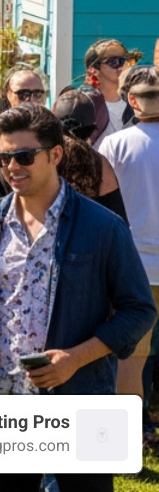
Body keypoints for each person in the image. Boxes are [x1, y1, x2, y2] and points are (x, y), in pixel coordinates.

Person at [0, 106, 155, 492]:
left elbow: (139, 310)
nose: (12, 167)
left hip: (79, 398)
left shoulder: (103, 227)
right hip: (1, 401)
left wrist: (75, 358)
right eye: (3, 158)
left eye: (24, 156)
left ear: (55, 154)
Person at [91, 65, 159, 398]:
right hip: (135, 264)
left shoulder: (114, 145)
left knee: (131, 356)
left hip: (133, 266)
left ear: (131, 100)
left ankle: (130, 423)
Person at [0, 68, 48, 194]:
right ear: (9, 95)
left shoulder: (51, 127)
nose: (31, 100)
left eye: (38, 94)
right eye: (23, 94)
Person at [80, 39, 140, 148]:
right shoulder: (84, 104)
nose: (123, 67)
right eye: (114, 62)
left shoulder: (138, 101)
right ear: (94, 70)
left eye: (127, 60)